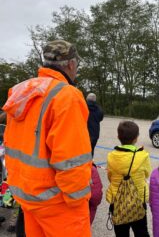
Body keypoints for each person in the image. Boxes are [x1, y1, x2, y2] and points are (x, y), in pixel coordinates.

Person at [2, 40, 92, 237]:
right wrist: (78, 201)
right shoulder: (67, 96)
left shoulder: (21, 91)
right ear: (71, 65)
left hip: (27, 195)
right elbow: (72, 159)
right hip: (57, 204)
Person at [106, 121, 151, 237]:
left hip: (118, 202)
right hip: (138, 200)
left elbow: (110, 177)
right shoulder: (143, 155)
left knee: (121, 234)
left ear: (118, 137)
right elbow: (147, 174)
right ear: (136, 138)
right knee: (141, 232)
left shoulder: (111, 157)